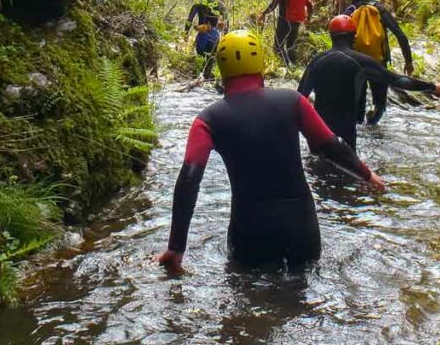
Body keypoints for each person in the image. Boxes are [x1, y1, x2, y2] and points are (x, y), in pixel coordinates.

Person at [156, 30, 386, 272]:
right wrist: (367, 175)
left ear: (222, 69)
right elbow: (331, 146)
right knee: (306, 294)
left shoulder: (207, 120)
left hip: (250, 232)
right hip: (302, 228)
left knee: (247, 296)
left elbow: (189, 179)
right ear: (260, 64)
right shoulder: (293, 101)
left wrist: (176, 247)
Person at [298, 15, 440, 149]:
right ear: (354, 36)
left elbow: (299, 96)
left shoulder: (317, 61)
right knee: (345, 172)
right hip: (346, 133)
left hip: (318, 133)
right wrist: (432, 87)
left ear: (331, 36)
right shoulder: (362, 62)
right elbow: (398, 80)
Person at [343, 0, 417, 124]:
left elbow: (339, 41)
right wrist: (408, 62)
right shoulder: (380, 9)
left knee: (357, 104)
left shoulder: (348, 12)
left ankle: (359, 134)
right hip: (378, 63)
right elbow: (400, 35)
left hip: (355, 64)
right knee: (380, 105)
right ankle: (372, 127)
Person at [258, 0, 313, 67]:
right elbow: (310, 5)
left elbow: (274, 4)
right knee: (291, 46)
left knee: (277, 47)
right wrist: (308, 19)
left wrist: (264, 13)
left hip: (284, 21)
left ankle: (287, 66)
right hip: (296, 22)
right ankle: (294, 67)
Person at [185, 0, 227, 79]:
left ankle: (198, 78)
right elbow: (226, 20)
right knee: (210, 59)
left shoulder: (198, 4)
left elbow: (189, 19)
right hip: (214, 35)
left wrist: (186, 32)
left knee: (200, 59)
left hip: (202, 33)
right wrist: (226, 34)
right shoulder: (219, 5)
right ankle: (207, 78)